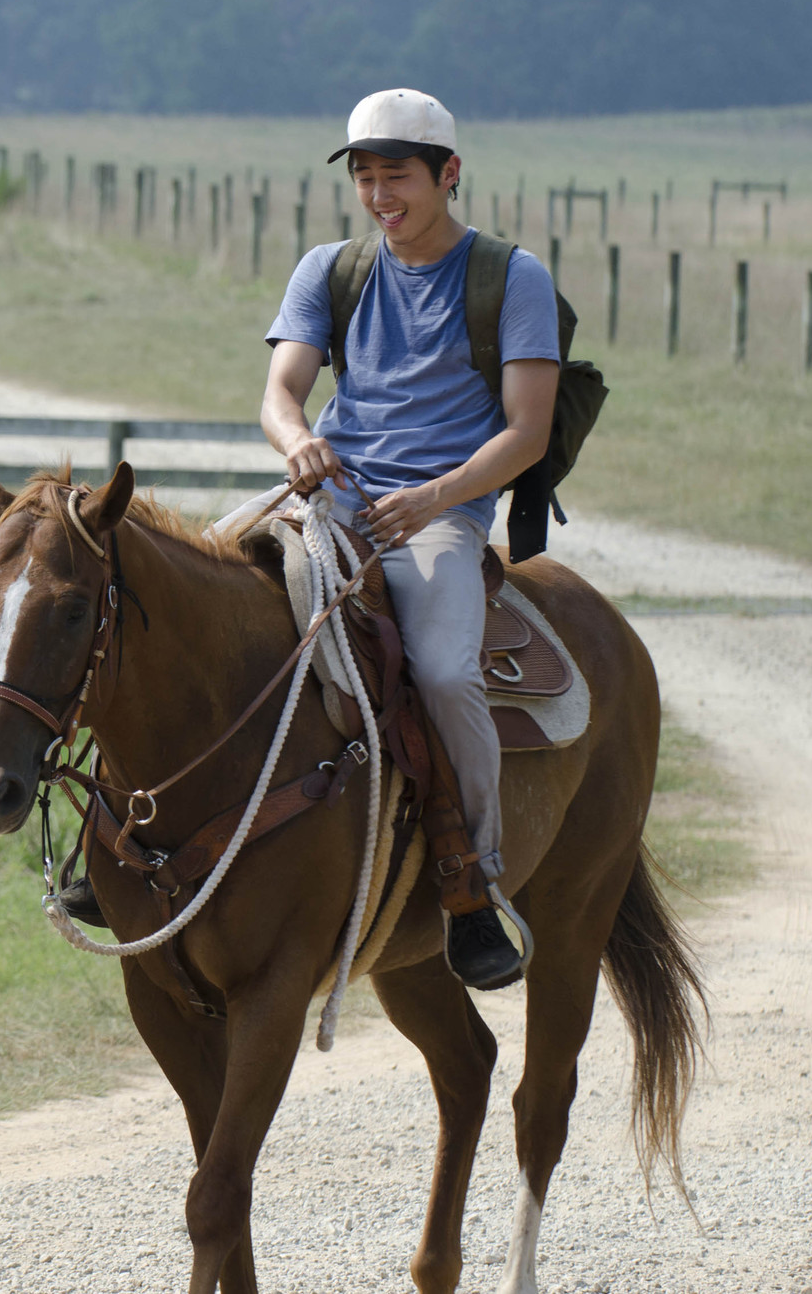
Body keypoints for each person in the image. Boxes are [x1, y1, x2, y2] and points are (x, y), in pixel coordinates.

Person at [259, 88, 560, 991]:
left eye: (399, 177)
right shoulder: (331, 268)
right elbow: (280, 394)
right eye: (365, 178)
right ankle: (119, 832)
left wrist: (436, 500)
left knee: (444, 671)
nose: (381, 195)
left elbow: (528, 431)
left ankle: (473, 881)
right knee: (181, 593)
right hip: (333, 493)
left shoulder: (512, 277)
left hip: (443, 511)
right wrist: (298, 440)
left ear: (449, 175)